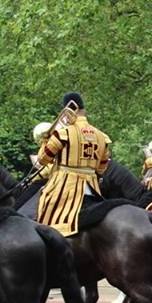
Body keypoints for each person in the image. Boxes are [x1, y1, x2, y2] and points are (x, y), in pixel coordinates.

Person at [37, 93, 111, 236]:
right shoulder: (102, 136)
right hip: (92, 188)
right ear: (84, 110)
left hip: (65, 187)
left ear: (67, 110)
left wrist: (46, 139)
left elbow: (42, 159)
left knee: (45, 207)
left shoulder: (62, 133)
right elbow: (102, 167)